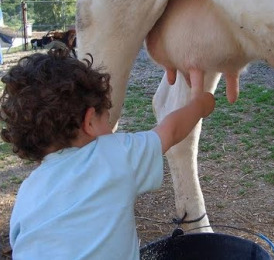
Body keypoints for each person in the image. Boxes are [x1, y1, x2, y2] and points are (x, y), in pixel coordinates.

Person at [0, 49, 215, 260]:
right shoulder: (112, 155)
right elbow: (171, 131)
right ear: (90, 121)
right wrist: (199, 104)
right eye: (106, 117)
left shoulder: (26, 193)